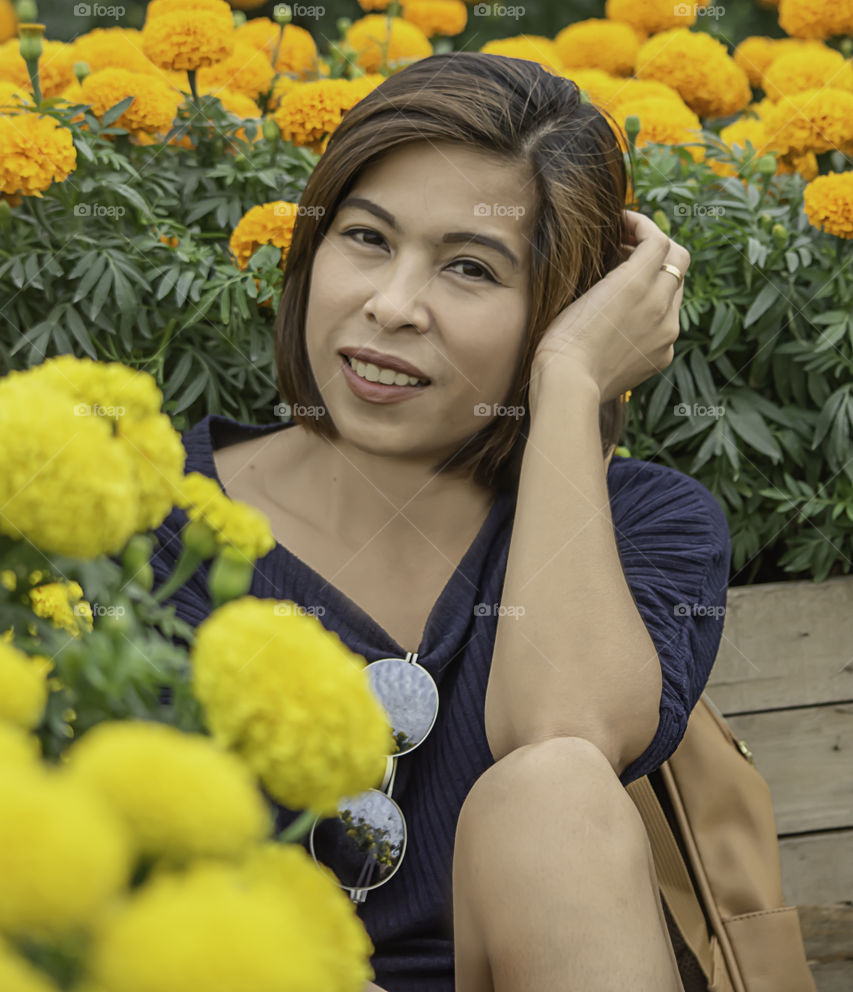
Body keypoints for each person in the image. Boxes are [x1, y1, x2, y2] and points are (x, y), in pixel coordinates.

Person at [151, 52, 730, 992]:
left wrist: (568, 382)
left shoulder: (645, 525)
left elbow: (561, 732)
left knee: (553, 790)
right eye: (366, 238)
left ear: (562, 307)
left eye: (469, 267)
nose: (390, 306)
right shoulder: (142, 523)